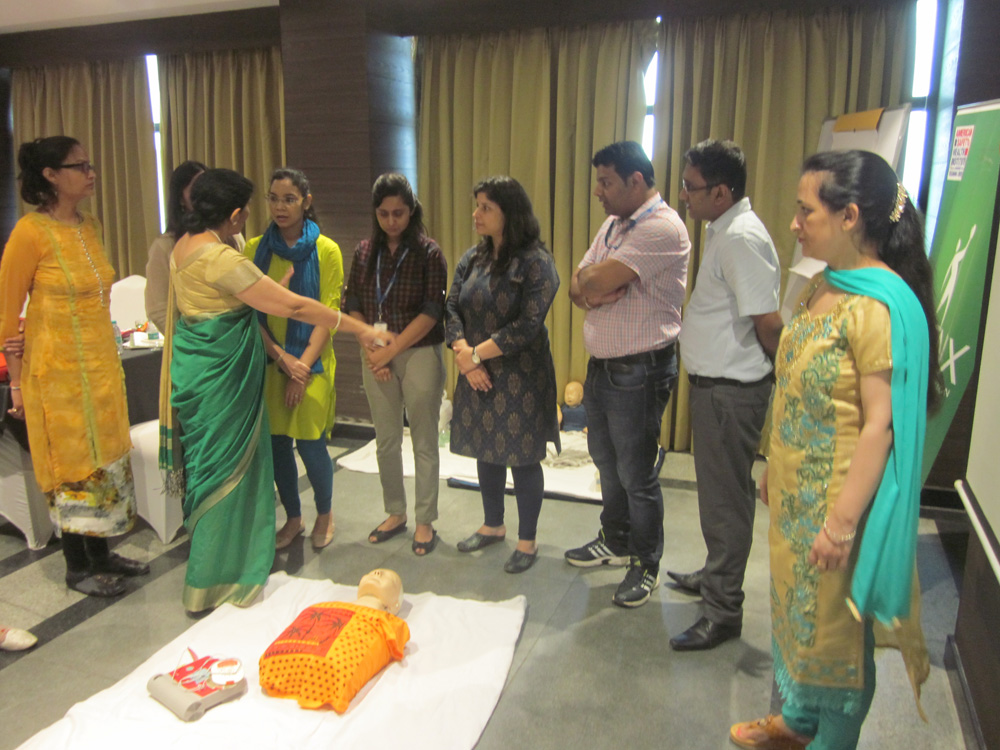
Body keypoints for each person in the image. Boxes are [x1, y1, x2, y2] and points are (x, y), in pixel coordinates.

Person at [730, 150, 941, 750]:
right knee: (799, 617)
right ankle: (798, 723)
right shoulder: (825, 283)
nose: (794, 223)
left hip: (838, 503)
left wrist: (842, 525)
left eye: (806, 212)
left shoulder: (874, 306)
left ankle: (833, 738)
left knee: (838, 637)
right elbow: (793, 383)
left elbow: (881, 427)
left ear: (849, 216)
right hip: (797, 498)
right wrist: (772, 461)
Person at [160, 168, 389, 613]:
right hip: (222, 382)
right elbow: (295, 307)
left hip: (199, 370)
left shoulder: (184, 246)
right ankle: (223, 576)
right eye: (256, 204)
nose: (263, 211)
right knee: (227, 474)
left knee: (212, 471)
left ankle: (212, 569)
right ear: (234, 214)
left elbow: (234, 302)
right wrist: (360, 328)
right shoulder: (223, 256)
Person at [0, 136, 149, 598]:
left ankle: (102, 554)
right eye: (79, 167)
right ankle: (76, 566)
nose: (91, 173)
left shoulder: (90, 226)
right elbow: (7, 316)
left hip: (101, 367)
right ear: (50, 176)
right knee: (72, 467)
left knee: (104, 461)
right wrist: (17, 384)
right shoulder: (30, 232)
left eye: (89, 164)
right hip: (57, 375)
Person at [666, 140, 783, 651]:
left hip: (732, 393)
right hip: (718, 389)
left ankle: (723, 610)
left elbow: (769, 325)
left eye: (690, 187)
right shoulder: (724, 230)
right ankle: (716, 577)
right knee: (717, 498)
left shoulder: (740, 238)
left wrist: (777, 375)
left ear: (721, 191)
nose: (683, 196)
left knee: (727, 503)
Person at [564, 140, 690, 608]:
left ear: (636, 181)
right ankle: (615, 540)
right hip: (604, 368)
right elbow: (577, 282)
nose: (598, 191)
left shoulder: (661, 227)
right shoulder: (615, 223)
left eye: (606, 182)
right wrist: (592, 285)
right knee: (605, 462)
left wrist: (594, 285)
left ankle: (645, 562)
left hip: (640, 371)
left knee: (636, 473)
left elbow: (592, 280)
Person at [446, 176, 560, 575]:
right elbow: (451, 308)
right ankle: (493, 525)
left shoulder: (536, 262)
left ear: (509, 213)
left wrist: (475, 355)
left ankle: (527, 540)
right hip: (475, 370)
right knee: (486, 448)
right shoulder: (473, 258)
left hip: (520, 375)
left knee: (523, 457)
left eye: (485, 208)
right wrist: (465, 357)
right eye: (476, 205)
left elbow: (528, 325)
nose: (475, 214)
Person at [342, 173, 447, 556]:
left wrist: (390, 350)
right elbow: (352, 304)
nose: (391, 221)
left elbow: (432, 311)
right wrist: (373, 348)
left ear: (411, 210)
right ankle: (396, 512)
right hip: (375, 351)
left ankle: (425, 520)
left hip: (419, 352)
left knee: (423, 440)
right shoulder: (364, 252)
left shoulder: (429, 252)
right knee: (386, 441)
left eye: (399, 213)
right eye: (384, 214)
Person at [246, 168, 343, 551]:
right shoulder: (254, 249)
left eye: (289, 199)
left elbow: (328, 315)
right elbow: (251, 313)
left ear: (306, 201)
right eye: (273, 198)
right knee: (277, 444)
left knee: (310, 442)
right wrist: (282, 358)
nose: (280, 207)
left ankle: (325, 513)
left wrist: (300, 369)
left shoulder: (327, 250)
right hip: (272, 360)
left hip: (312, 362)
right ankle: (293, 517)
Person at [259, 568, 408, 713]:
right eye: (371, 572)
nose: (377, 573)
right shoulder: (318, 607)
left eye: (389, 578)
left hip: (330, 675)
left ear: (395, 604)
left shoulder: (387, 625)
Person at [145, 160, 209, 333]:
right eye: (195, 189)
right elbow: (158, 309)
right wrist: (188, 341)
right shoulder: (165, 246)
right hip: (191, 342)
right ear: (181, 199)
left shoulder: (231, 236)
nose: (203, 194)